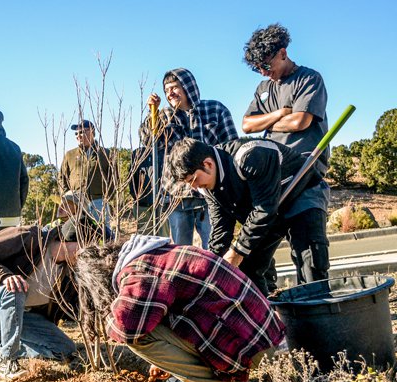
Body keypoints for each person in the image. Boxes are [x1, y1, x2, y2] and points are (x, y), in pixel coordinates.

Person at [76, 235, 285, 382]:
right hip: (262, 336)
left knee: (138, 336)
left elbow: (127, 328)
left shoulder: (136, 271)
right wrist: (167, 358)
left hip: (250, 346)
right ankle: (221, 381)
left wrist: (107, 317)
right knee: (147, 321)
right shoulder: (158, 255)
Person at [165, 137, 330, 296]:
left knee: (310, 260)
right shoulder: (206, 186)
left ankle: (317, 316)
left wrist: (236, 252)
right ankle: (265, 314)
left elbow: (264, 209)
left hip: (300, 193)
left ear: (208, 164)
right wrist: (212, 267)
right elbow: (221, 230)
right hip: (267, 211)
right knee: (247, 268)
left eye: (193, 180)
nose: (194, 187)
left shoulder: (249, 155)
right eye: (189, 184)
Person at [242, 23, 330, 292]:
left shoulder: (309, 79)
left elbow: (301, 121)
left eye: (266, 65)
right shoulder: (263, 88)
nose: (263, 72)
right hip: (274, 178)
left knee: (309, 258)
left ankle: (318, 314)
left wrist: (265, 123)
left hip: (305, 174)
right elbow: (246, 124)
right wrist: (279, 115)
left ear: (283, 53)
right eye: (258, 68)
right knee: (253, 254)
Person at [0, 221, 83, 379]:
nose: (84, 254)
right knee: (15, 288)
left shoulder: (69, 273)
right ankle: (7, 362)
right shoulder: (30, 237)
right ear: (67, 240)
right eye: (83, 246)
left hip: (22, 315)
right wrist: (4, 277)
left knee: (65, 350)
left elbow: (75, 308)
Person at [134, 68, 238, 246]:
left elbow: (231, 148)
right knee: (182, 252)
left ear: (189, 87)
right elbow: (148, 140)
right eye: (167, 90)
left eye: (174, 88)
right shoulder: (163, 115)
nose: (170, 93)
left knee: (215, 246)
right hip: (176, 196)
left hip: (211, 194)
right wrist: (152, 113)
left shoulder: (215, 109)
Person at [60, 120, 112, 222]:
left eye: (82, 132)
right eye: (76, 133)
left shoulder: (106, 153)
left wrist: (106, 198)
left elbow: (114, 179)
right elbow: (62, 178)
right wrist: (68, 198)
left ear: (92, 132)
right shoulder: (69, 155)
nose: (78, 135)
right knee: (78, 234)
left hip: (99, 202)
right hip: (76, 203)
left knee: (103, 234)